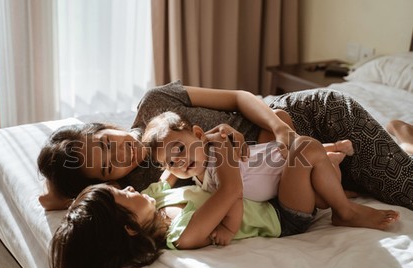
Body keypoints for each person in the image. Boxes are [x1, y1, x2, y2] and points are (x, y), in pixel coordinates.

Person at [48, 146, 399, 268]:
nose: (128, 186)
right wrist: (224, 152)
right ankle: (343, 211)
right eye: (123, 194)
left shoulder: (159, 198)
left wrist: (190, 146)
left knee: (320, 164)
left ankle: (339, 183)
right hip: (284, 217)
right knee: (304, 150)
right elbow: (231, 188)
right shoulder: (182, 235)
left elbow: (169, 168)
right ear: (129, 228)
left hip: (268, 196)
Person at [38, 81, 413, 210]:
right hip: (303, 171)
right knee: (378, 179)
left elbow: (238, 96)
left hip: (306, 120)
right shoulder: (149, 180)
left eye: (106, 145)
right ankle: (399, 138)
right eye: (108, 167)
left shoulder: (157, 101)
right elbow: (64, 200)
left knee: (406, 189)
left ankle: (397, 137)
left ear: (106, 127)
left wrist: (279, 130)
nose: (120, 156)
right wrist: (60, 195)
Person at [142, 111, 398, 244]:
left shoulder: (219, 155)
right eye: (170, 163)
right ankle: (341, 200)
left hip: (283, 171)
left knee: (291, 132)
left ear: (199, 135)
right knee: (307, 149)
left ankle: (337, 188)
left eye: (180, 150)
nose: (180, 163)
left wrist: (227, 228)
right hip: (286, 201)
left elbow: (235, 195)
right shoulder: (200, 166)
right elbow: (233, 194)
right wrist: (171, 165)